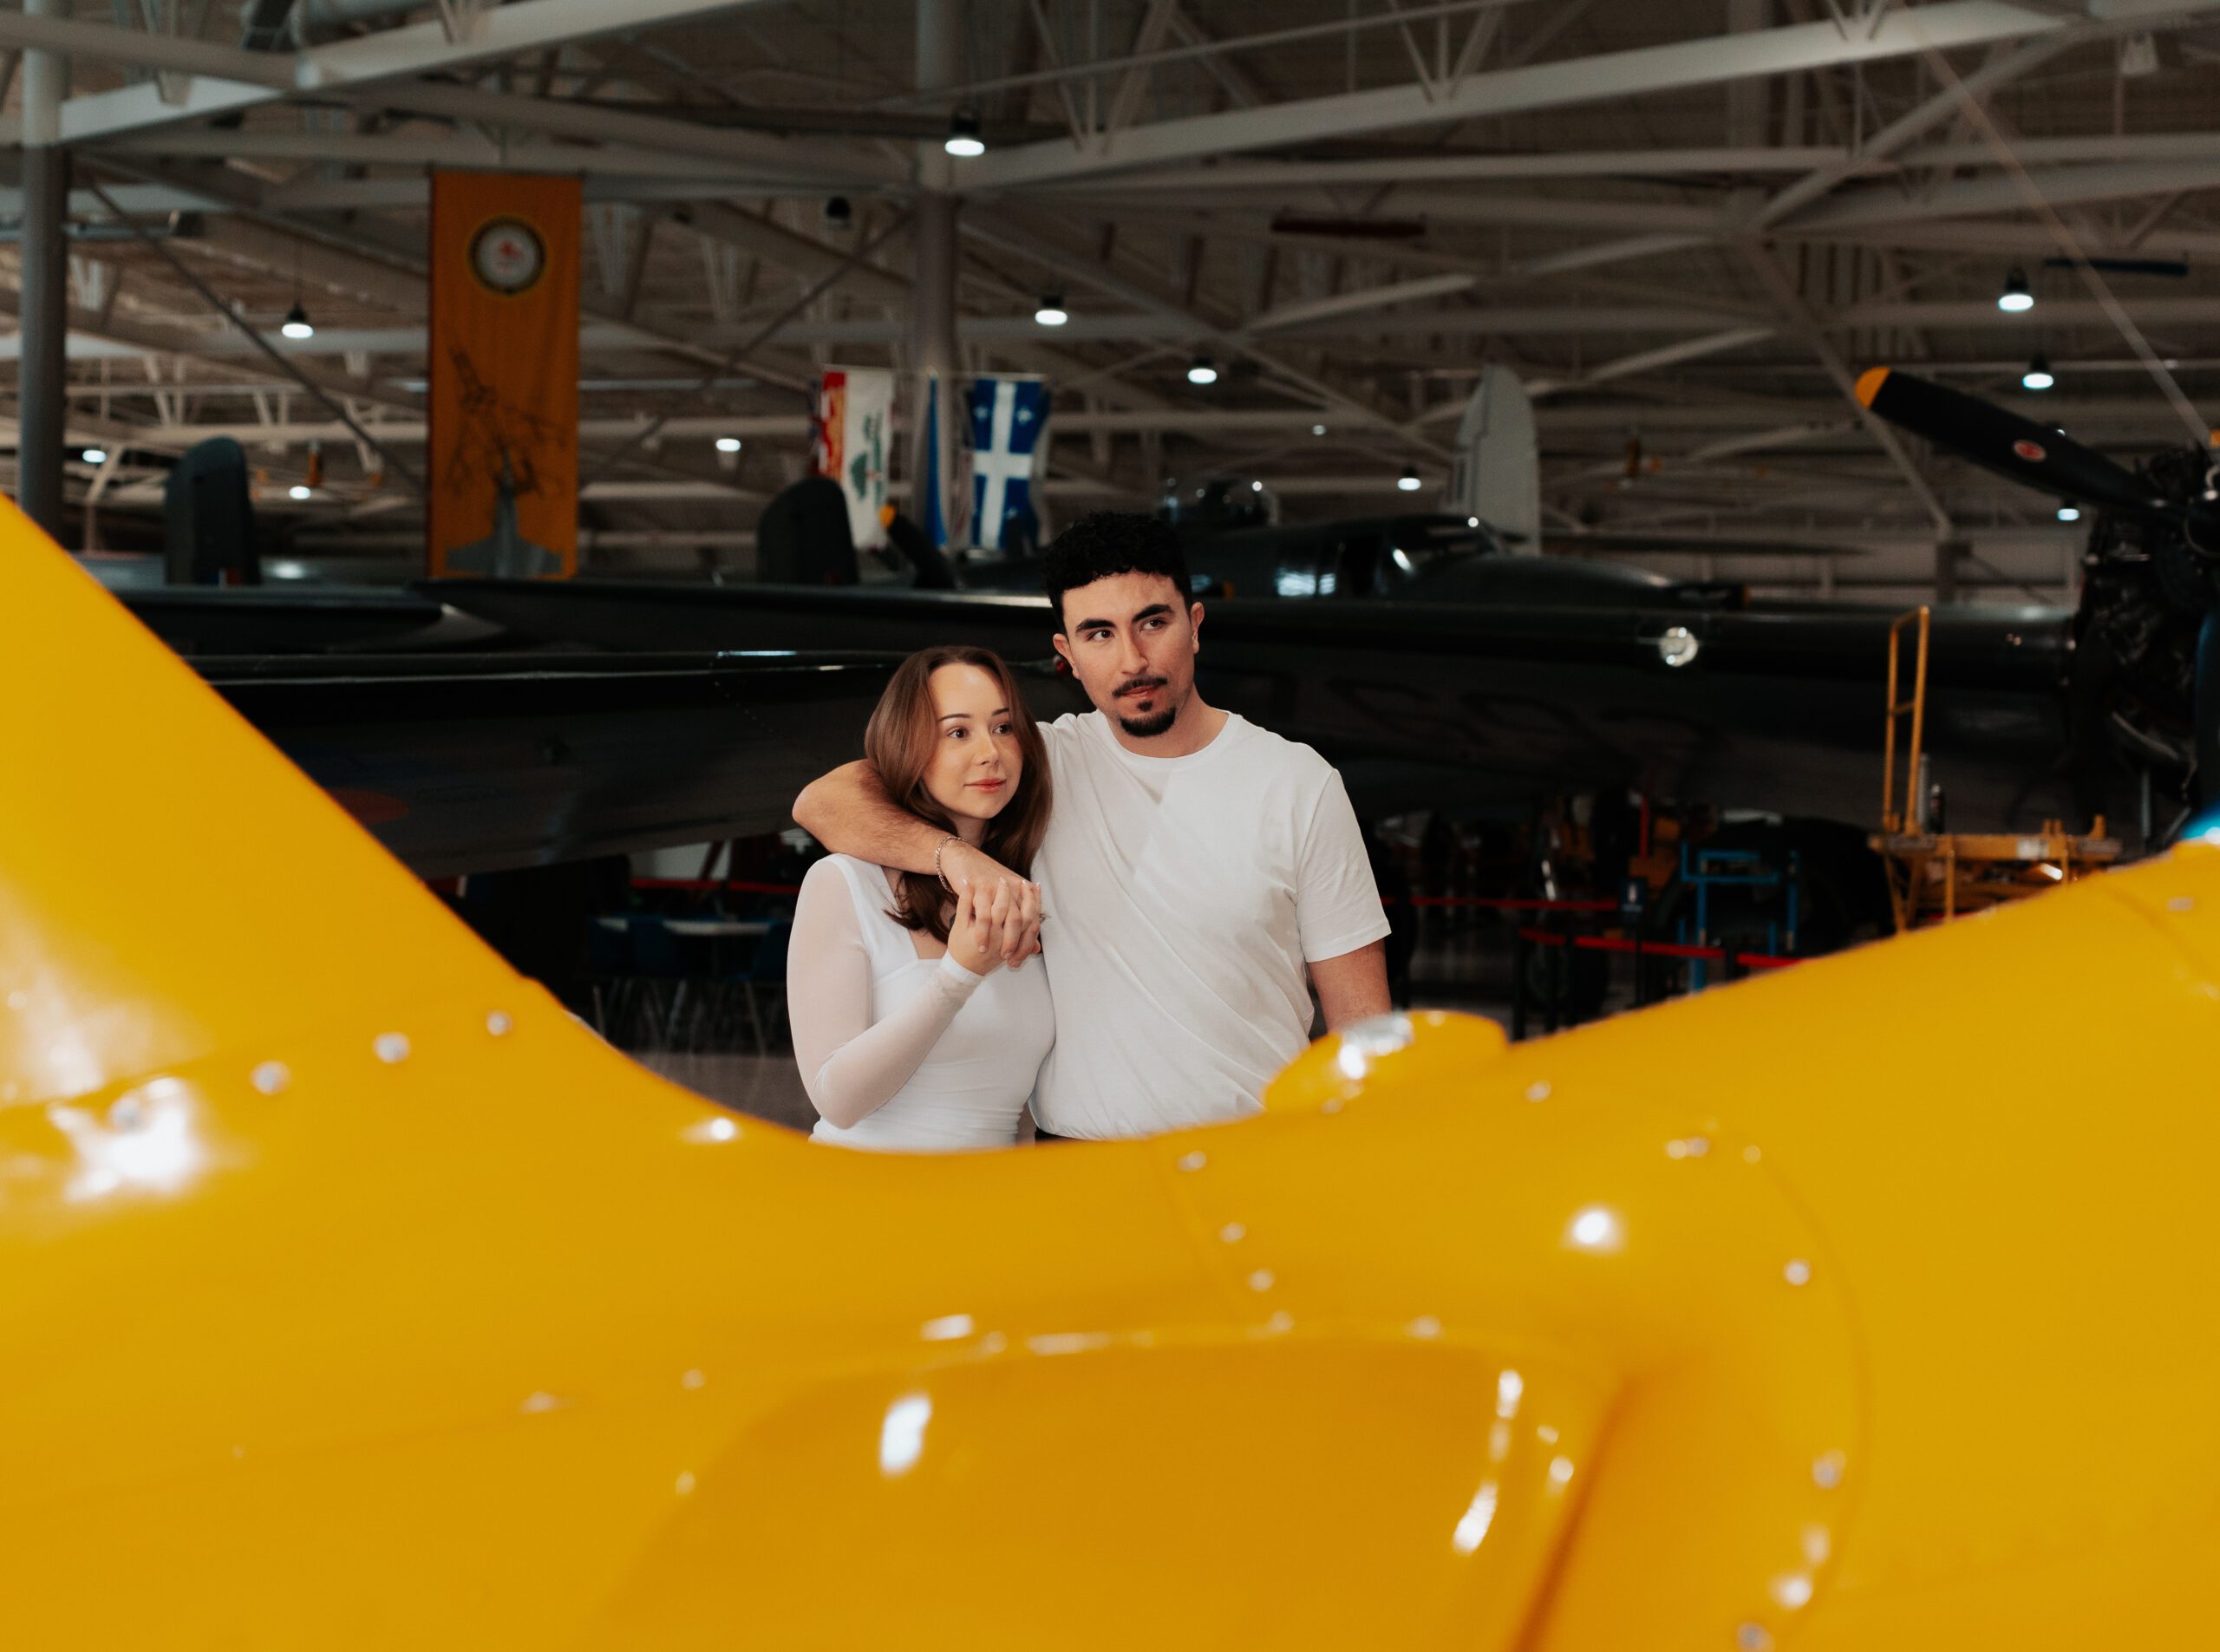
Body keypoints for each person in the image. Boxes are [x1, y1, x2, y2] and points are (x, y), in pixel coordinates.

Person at [794, 511, 1391, 1140]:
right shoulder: (1039, 765)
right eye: (1098, 634)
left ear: (1194, 626)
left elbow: (1361, 1024)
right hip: (1077, 1170)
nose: (1132, 660)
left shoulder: (1299, 784)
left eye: (1152, 623)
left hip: (1250, 1164)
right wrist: (957, 857)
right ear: (1068, 655)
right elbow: (823, 799)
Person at [788, 645, 1050, 1151]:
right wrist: (958, 976)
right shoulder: (844, 882)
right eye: (957, 732)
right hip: (866, 1201)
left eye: (1003, 727)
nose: (989, 752)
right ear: (909, 749)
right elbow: (836, 1100)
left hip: (988, 1209)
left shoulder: (1025, 886)